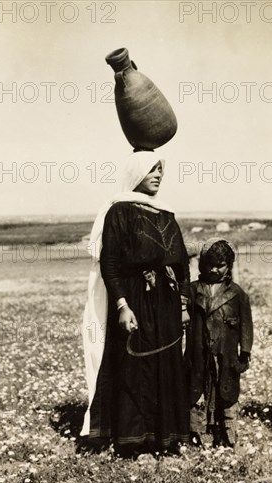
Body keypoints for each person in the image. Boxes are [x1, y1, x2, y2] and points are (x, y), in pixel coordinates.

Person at [80, 151, 190, 456]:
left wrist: (183, 304)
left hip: (166, 302)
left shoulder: (166, 213)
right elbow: (110, 263)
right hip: (135, 298)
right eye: (151, 169)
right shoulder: (120, 212)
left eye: (160, 170)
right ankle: (133, 442)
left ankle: (164, 438)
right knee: (134, 367)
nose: (158, 175)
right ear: (135, 173)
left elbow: (182, 264)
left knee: (166, 365)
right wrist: (121, 305)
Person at [186, 240, 253, 448]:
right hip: (199, 353)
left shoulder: (237, 294)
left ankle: (227, 434)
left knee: (227, 392)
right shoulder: (192, 290)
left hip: (227, 355)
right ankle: (199, 434)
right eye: (209, 264)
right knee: (198, 391)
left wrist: (245, 351)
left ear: (229, 265)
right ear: (202, 265)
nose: (214, 269)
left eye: (220, 264)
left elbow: (246, 325)